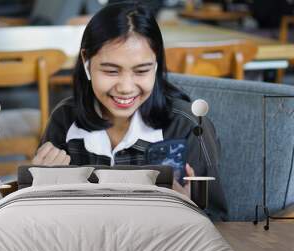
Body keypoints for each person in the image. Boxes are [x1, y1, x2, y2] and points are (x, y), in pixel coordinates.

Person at [32, 2, 228, 220]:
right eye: (111, 71)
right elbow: (41, 219)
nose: (126, 87)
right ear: (86, 62)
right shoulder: (65, 119)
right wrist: (37, 189)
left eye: (141, 71)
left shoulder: (188, 127)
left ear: (156, 65)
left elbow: (219, 222)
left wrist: (189, 212)